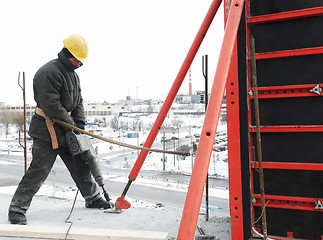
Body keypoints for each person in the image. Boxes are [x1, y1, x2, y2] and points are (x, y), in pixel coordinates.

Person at [8, 34, 112, 225]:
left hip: (67, 130)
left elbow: (78, 101)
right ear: (67, 54)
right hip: (46, 131)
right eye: (77, 60)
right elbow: (52, 106)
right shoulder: (48, 72)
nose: (80, 64)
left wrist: (79, 125)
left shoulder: (73, 75)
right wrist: (72, 124)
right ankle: (17, 208)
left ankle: (93, 197)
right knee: (39, 169)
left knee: (81, 164)